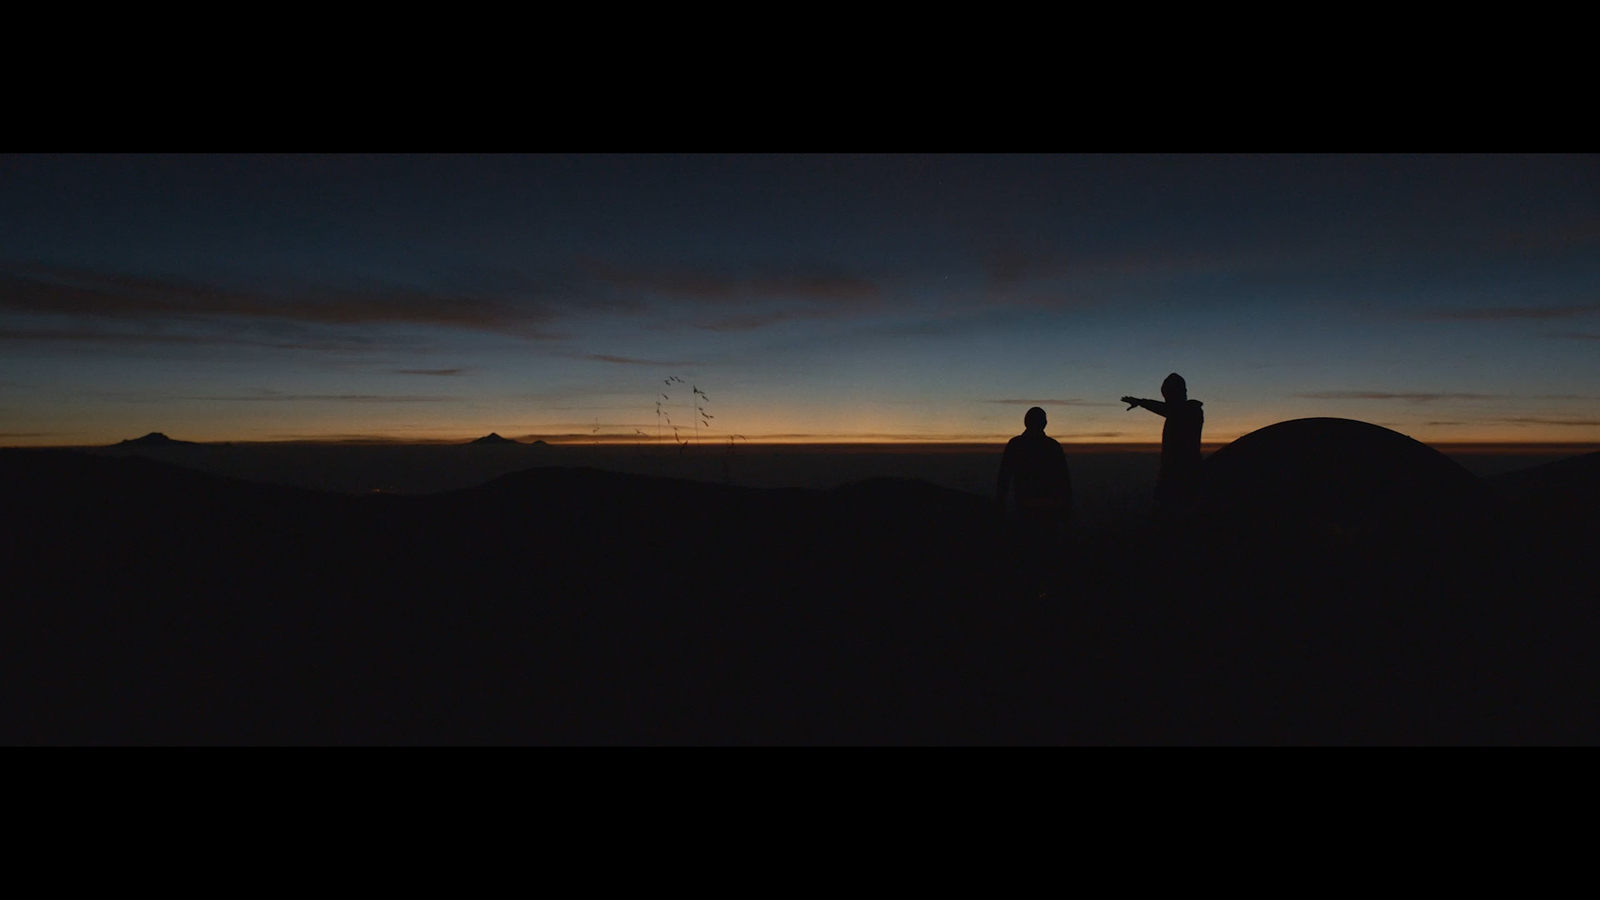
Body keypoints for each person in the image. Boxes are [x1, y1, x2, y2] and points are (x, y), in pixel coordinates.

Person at [996, 407, 1072, 597]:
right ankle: (1044, 589)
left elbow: (1004, 476)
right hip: (1049, 506)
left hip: (1026, 505)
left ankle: (1029, 590)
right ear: (1044, 423)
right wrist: (1066, 506)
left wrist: (1000, 502)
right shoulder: (1052, 446)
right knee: (1046, 549)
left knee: (1028, 547)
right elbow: (1063, 479)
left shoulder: (1016, 444)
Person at [1122, 373, 1204, 515]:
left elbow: (1171, 410)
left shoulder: (1191, 411)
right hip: (1172, 473)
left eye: (1169, 395)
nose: (1167, 399)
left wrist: (1142, 402)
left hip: (1185, 475)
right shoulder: (1179, 413)